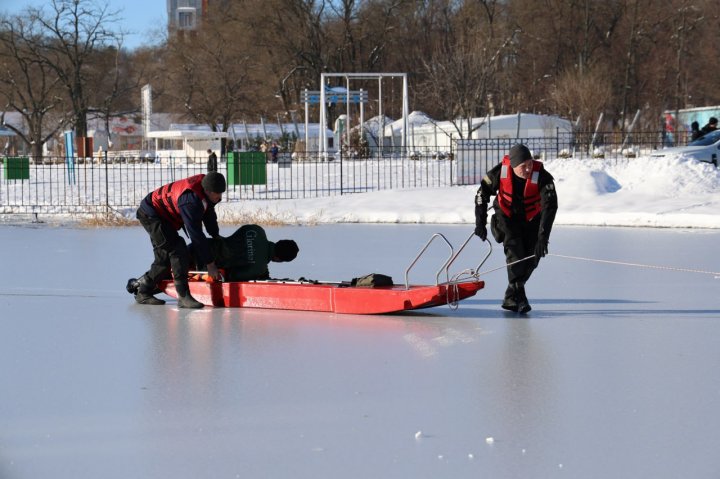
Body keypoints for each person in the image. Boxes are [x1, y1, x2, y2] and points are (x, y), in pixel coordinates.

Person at [474, 144, 558, 314]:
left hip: (531, 219)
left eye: (529, 163)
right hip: (506, 217)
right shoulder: (500, 172)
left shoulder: (541, 176)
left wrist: (543, 238)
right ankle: (519, 297)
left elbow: (550, 206)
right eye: (523, 166)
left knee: (533, 257)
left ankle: (512, 295)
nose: (528, 169)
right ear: (512, 166)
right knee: (516, 254)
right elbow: (481, 195)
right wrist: (480, 223)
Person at [127, 172, 227, 309]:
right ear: (207, 191)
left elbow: (208, 213)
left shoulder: (207, 190)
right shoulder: (190, 201)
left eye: (222, 193)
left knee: (163, 259)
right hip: (152, 215)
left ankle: (143, 290)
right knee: (177, 249)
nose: (220, 197)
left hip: (163, 217)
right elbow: (196, 235)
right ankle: (183, 296)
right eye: (217, 193)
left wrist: (215, 235)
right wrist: (210, 264)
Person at [194, 224, 299, 281]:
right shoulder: (259, 268)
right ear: (279, 259)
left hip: (201, 246)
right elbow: (232, 277)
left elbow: (257, 253)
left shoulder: (257, 230)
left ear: (278, 242)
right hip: (200, 266)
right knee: (222, 273)